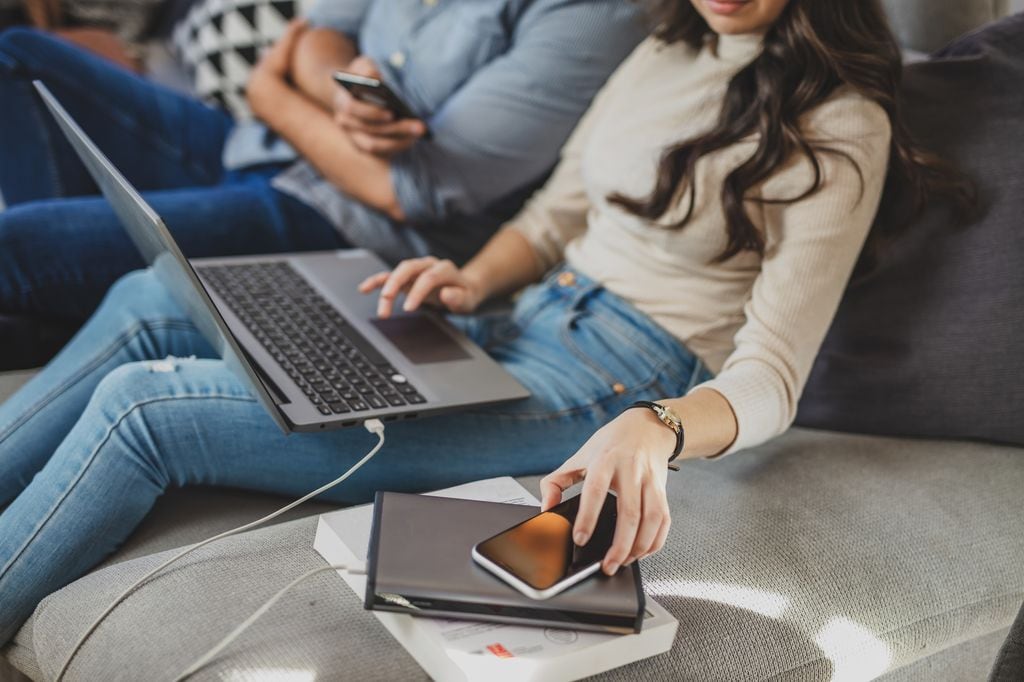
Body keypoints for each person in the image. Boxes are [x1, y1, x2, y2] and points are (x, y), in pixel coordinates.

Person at [0, 0, 973, 645]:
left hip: (600, 388)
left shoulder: (842, 125)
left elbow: (772, 374)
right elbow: (553, 218)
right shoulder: (665, 48)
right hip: (507, 327)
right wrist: (465, 279)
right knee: (149, 296)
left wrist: (660, 424)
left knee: (146, 409)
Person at [0, 0, 646, 368]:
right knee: (20, 57)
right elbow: (317, 33)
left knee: (16, 248)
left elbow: (413, 192)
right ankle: (67, 294)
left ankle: (56, 287)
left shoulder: (597, 15)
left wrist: (273, 96)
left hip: (350, 221)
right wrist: (337, 89)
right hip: (261, 148)